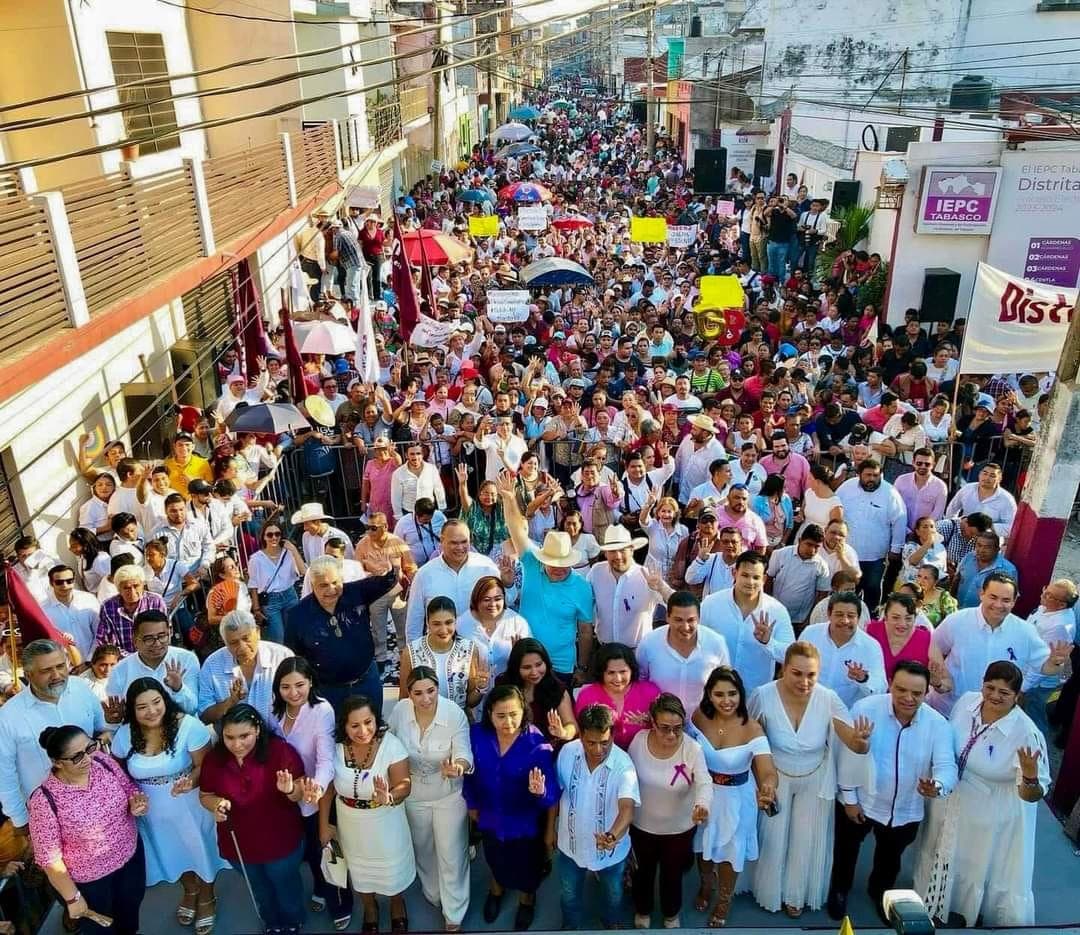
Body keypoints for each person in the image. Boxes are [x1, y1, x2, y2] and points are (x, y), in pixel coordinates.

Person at [913, 661, 1050, 926]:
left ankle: (969, 913)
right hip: (951, 801)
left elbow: (1032, 795)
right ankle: (938, 902)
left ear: (1017, 696)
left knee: (975, 866)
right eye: (990, 687)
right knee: (941, 850)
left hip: (989, 816)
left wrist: (1031, 775)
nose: (995, 696)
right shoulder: (966, 703)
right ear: (982, 684)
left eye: (1004, 692)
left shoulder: (1026, 733)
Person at [747, 641, 873, 917]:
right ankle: (769, 891)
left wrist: (862, 742)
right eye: (797, 673)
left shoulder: (828, 698)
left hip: (815, 777)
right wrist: (760, 781)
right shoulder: (763, 695)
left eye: (811, 675)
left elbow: (852, 741)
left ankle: (796, 895)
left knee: (806, 837)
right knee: (774, 836)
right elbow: (750, 738)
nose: (804, 682)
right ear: (784, 669)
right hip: (775, 775)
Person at [828, 661, 956, 923]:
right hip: (861, 802)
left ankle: (880, 894)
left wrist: (938, 785)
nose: (908, 698)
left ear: (926, 691)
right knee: (846, 851)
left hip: (905, 809)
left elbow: (946, 766)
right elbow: (845, 758)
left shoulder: (937, 724)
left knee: (890, 860)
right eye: (901, 690)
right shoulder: (865, 709)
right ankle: (839, 891)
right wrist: (849, 799)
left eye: (917, 693)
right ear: (890, 684)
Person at [111, 677, 226, 933]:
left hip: (190, 803)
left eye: (156, 702)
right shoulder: (124, 735)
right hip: (151, 812)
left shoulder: (189, 726)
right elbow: (117, 774)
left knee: (200, 850)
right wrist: (131, 798)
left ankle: (207, 896)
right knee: (171, 852)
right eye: (142, 707)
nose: (151, 711)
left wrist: (191, 781)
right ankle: (190, 890)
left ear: (165, 700)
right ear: (132, 709)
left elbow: (206, 765)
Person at [199, 703, 318, 935]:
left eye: (244, 736)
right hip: (239, 844)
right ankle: (271, 922)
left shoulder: (280, 751)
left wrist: (289, 788)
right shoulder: (215, 759)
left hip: (280, 841)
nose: (237, 744)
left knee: (285, 886)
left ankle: (293, 921)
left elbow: (299, 793)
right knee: (259, 888)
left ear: (258, 730)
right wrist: (216, 804)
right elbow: (205, 795)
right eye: (229, 737)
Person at [28, 725, 149, 935]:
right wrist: (73, 898)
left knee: (130, 912)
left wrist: (136, 803)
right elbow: (49, 859)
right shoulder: (44, 800)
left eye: (90, 748)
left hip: (129, 859)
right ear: (57, 762)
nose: (88, 759)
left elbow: (129, 788)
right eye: (76, 757)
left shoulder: (102, 761)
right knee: (101, 929)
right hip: (91, 882)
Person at [688, 666, 778, 927]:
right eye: (719, 694)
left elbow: (767, 770)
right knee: (702, 846)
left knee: (730, 852)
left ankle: (724, 900)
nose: (726, 701)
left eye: (732, 693)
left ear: (741, 694)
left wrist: (769, 787)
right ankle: (706, 885)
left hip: (737, 800)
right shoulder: (698, 717)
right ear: (709, 695)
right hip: (704, 794)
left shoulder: (752, 729)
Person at [463, 685, 559, 930]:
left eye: (514, 714)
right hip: (491, 818)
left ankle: (527, 901)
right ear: (489, 714)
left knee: (528, 868)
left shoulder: (537, 744)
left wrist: (541, 792)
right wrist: (472, 805)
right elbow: (470, 776)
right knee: (495, 859)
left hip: (525, 824)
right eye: (501, 715)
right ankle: (496, 892)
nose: (508, 722)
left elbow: (551, 797)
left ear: (523, 712)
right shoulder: (477, 736)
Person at [319, 695, 416, 934]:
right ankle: (370, 908)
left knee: (391, 870)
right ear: (344, 726)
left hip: (386, 821)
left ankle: (396, 904)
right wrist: (324, 826)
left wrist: (390, 796)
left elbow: (405, 784)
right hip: (350, 823)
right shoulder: (335, 749)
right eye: (354, 725)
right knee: (360, 871)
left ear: (376, 720)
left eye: (368, 722)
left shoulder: (391, 745)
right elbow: (328, 791)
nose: (363, 730)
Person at [388, 666, 474, 931]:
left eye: (431, 691)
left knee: (451, 852)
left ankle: (454, 912)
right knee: (424, 849)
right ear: (409, 693)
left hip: (449, 794)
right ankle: (434, 893)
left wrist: (458, 767)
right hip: (413, 795)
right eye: (418, 693)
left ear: (438, 689)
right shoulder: (400, 711)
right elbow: (389, 744)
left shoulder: (454, 713)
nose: (426, 698)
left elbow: (464, 753)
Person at [268, 657, 350, 930]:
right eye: (286, 686)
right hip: (286, 794)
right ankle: (319, 884)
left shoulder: (321, 710)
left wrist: (318, 785)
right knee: (307, 850)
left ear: (310, 682)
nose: (293, 693)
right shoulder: (273, 711)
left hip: (317, 794)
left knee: (326, 848)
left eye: (300, 685)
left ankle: (340, 902)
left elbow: (326, 759)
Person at [0, 640, 109, 833]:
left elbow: (102, 730)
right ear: (28, 675)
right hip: (48, 818)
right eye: (46, 670)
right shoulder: (8, 716)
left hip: (99, 805)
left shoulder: (81, 689)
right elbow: (4, 774)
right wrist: (20, 821)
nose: (57, 675)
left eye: (60, 666)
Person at [497, 472, 595, 684]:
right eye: (553, 564)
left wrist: (582, 667)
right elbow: (516, 528)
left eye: (563, 564)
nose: (558, 569)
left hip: (561, 664)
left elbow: (586, 631)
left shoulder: (582, 587)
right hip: (525, 659)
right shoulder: (533, 562)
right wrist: (508, 497)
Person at [929, 572, 1068, 716]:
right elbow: (935, 645)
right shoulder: (957, 620)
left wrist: (1056, 662)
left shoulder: (1025, 631)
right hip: (949, 707)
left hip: (994, 715)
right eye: (993, 597)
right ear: (981, 594)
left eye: (1006, 600)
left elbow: (1046, 667)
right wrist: (942, 676)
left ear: (1014, 601)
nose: (998, 605)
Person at [628, 692, 711, 929]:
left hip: (679, 828)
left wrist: (702, 804)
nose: (672, 735)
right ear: (652, 723)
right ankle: (642, 910)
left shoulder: (692, 749)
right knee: (642, 873)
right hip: (642, 825)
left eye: (678, 728)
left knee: (672, 876)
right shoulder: (638, 742)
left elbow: (703, 781)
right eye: (664, 727)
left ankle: (671, 914)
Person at [554, 704, 640, 929]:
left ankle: (611, 925)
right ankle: (570, 927)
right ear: (580, 735)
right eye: (591, 743)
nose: (598, 749)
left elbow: (627, 809)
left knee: (613, 896)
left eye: (605, 742)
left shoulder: (624, 765)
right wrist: (548, 833)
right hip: (569, 846)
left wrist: (612, 836)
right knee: (568, 895)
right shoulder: (567, 753)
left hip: (611, 853)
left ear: (612, 735)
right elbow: (556, 794)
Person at [285, 554, 398, 713]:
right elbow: (294, 656)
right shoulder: (297, 615)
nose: (331, 590)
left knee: (373, 729)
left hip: (366, 681)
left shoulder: (356, 592)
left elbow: (387, 581)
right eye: (323, 585)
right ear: (312, 585)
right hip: (329, 692)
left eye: (335, 582)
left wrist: (387, 570)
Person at [700, 551, 794, 695]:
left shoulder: (777, 611)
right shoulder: (711, 604)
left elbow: (789, 655)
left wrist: (768, 642)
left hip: (755, 694)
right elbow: (697, 642)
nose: (750, 582)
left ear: (763, 579)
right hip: (715, 692)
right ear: (734, 573)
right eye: (745, 575)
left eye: (756, 577)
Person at [404, 520, 500, 643]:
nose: (460, 548)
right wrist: (414, 657)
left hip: (480, 648)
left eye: (464, 542)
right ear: (441, 541)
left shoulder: (485, 566)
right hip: (441, 650)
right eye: (454, 543)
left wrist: (508, 584)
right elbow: (414, 621)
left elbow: (505, 602)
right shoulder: (425, 574)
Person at [636, 591, 730, 714]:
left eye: (691, 620)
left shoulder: (716, 643)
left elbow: (725, 683)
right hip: (660, 725)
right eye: (678, 620)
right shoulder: (648, 644)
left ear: (699, 618)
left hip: (703, 724)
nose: (685, 627)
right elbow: (639, 684)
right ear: (667, 617)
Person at [199, 610, 294, 724]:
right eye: (234, 643)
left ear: (258, 633)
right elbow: (204, 715)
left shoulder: (281, 657)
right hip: (235, 739)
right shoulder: (212, 664)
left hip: (278, 735)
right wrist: (230, 702)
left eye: (246, 638)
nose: (242, 647)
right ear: (225, 643)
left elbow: (299, 700)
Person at [835, 459, 907, 610]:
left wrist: (896, 549)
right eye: (868, 475)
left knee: (872, 591)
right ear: (858, 474)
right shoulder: (846, 488)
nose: (872, 479)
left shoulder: (890, 492)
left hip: (876, 557)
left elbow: (900, 520)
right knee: (847, 593)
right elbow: (835, 511)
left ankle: (870, 622)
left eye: (875, 475)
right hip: (848, 554)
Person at [587, 525, 672, 649]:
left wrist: (662, 588)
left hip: (638, 653)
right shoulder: (596, 572)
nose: (618, 556)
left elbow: (677, 604)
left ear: (632, 550)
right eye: (612, 551)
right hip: (604, 651)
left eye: (622, 550)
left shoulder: (648, 576)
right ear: (605, 554)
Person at [399, 597, 487, 713]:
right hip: (422, 724)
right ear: (428, 623)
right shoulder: (411, 652)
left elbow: (470, 702)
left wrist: (480, 688)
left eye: (448, 622)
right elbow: (404, 699)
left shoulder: (468, 649)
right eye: (436, 624)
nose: (443, 630)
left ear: (456, 621)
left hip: (457, 724)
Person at [801, 591, 888, 707]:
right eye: (839, 614)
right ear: (829, 614)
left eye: (851, 616)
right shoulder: (810, 634)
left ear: (858, 618)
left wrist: (864, 679)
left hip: (845, 714)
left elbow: (881, 687)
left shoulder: (871, 647)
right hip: (807, 705)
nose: (845, 621)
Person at [355, 512, 416, 669]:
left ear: (385, 527)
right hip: (375, 593)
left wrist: (410, 585)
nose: (369, 531)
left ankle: (405, 656)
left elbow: (410, 566)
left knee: (402, 625)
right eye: (367, 527)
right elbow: (357, 570)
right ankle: (381, 658)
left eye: (373, 528)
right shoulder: (362, 544)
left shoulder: (398, 542)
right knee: (377, 627)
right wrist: (371, 575)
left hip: (397, 590)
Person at [575, 643, 660, 750]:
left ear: (632, 670)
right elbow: (583, 734)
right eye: (611, 673)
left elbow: (665, 726)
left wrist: (652, 721)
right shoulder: (587, 695)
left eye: (623, 672)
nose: (618, 679)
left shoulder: (650, 692)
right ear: (601, 672)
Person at [1022, 579, 1078, 739]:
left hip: (1038, 682)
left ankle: (1039, 744)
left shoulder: (1060, 626)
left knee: (1034, 715)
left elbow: (1047, 661)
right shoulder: (1047, 607)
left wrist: (1023, 687)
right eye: (1046, 590)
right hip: (1028, 670)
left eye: (1049, 595)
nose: (1043, 594)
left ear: (1061, 605)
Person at [499, 638, 578, 745]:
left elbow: (571, 724)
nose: (534, 672)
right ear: (516, 668)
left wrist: (563, 732)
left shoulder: (556, 688)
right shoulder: (503, 687)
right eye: (527, 667)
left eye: (538, 665)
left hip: (548, 751)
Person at [456, 576, 530, 682]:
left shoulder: (517, 623)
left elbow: (530, 660)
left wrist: (518, 655)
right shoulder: (461, 624)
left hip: (508, 691)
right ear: (476, 600)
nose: (493, 604)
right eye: (486, 600)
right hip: (472, 692)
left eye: (498, 599)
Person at [247, 521, 306, 644]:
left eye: (277, 534)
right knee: (278, 637)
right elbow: (253, 585)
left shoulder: (288, 553)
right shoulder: (256, 559)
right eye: (269, 535)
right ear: (263, 537)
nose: (274, 537)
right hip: (271, 600)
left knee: (295, 634)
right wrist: (257, 610)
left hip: (290, 595)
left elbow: (303, 571)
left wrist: (294, 550)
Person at [765, 525, 832, 629]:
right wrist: (768, 608)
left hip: (800, 621)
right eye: (809, 544)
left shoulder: (822, 565)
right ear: (800, 540)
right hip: (775, 614)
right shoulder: (780, 555)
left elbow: (822, 595)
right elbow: (768, 580)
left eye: (816, 547)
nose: (812, 550)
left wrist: (809, 620)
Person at [96, 564, 168, 655]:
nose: (132, 592)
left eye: (136, 586)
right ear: (119, 589)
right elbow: (104, 641)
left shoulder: (155, 602)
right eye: (126, 588)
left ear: (142, 585)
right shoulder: (108, 607)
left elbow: (164, 634)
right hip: (122, 660)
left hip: (153, 654)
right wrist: (129, 658)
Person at [867, 592, 931, 679]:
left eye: (908, 618)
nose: (902, 624)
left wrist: (937, 683)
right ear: (885, 616)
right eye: (896, 617)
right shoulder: (871, 631)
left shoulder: (927, 639)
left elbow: (943, 682)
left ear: (915, 618)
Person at [42, 565, 100, 660]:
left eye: (69, 581)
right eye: (59, 582)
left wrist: (90, 660)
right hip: (64, 666)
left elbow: (99, 633)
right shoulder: (43, 609)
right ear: (51, 583)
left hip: (93, 662)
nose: (65, 585)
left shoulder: (89, 600)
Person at [952, 531, 1018, 609]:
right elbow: (957, 580)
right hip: (958, 610)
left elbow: (1009, 599)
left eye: (987, 547)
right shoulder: (969, 557)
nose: (981, 550)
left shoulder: (1007, 570)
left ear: (997, 549)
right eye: (979, 545)